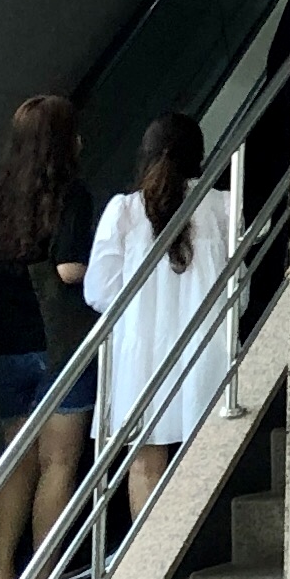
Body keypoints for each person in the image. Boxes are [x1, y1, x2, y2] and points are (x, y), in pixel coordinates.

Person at [85, 108, 231, 506]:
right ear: (198, 155)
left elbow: (98, 291)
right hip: (205, 348)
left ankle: (150, 545)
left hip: (140, 353)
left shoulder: (124, 210)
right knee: (202, 455)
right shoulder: (221, 206)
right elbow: (239, 285)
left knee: (144, 461)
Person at [0, 95, 93, 579]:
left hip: (6, 344)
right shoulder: (71, 195)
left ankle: (2, 573)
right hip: (57, 343)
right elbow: (69, 269)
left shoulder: (0, 198)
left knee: (16, 463)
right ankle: (44, 574)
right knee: (58, 462)